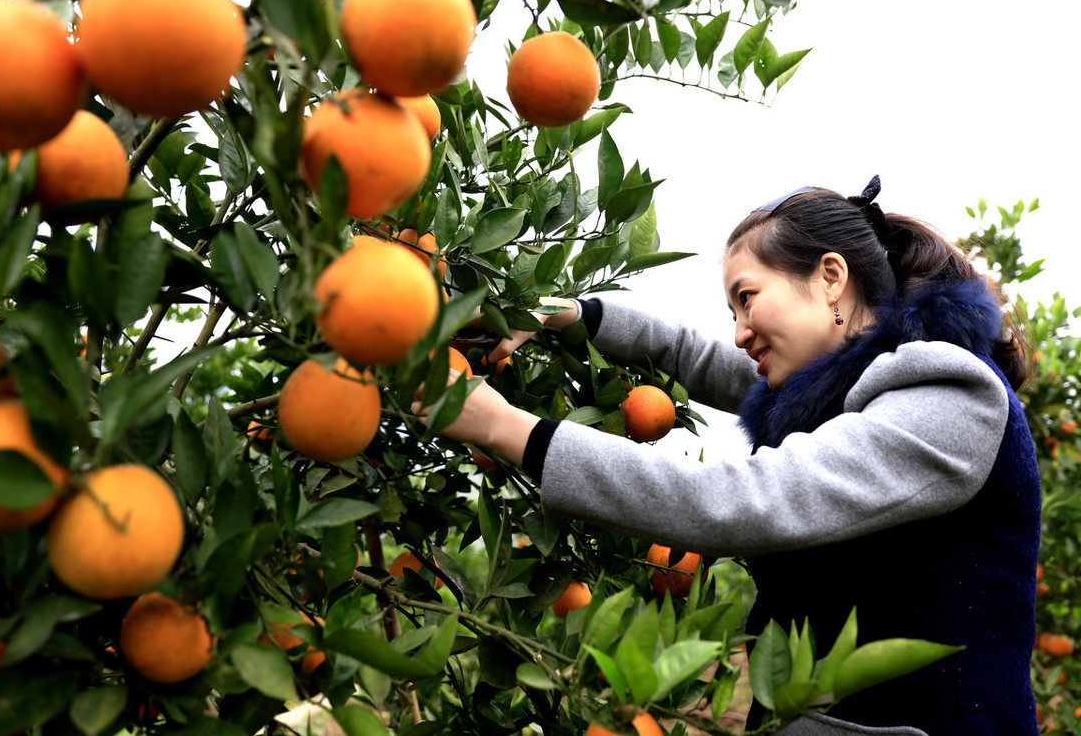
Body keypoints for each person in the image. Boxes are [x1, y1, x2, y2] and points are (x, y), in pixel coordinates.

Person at [415, 177, 1040, 735]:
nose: (739, 330)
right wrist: (563, 316)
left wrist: (507, 426)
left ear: (830, 277)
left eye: (747, 297)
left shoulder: (949, 399)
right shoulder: (835, 390)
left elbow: (744, 500)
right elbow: (686, 351)